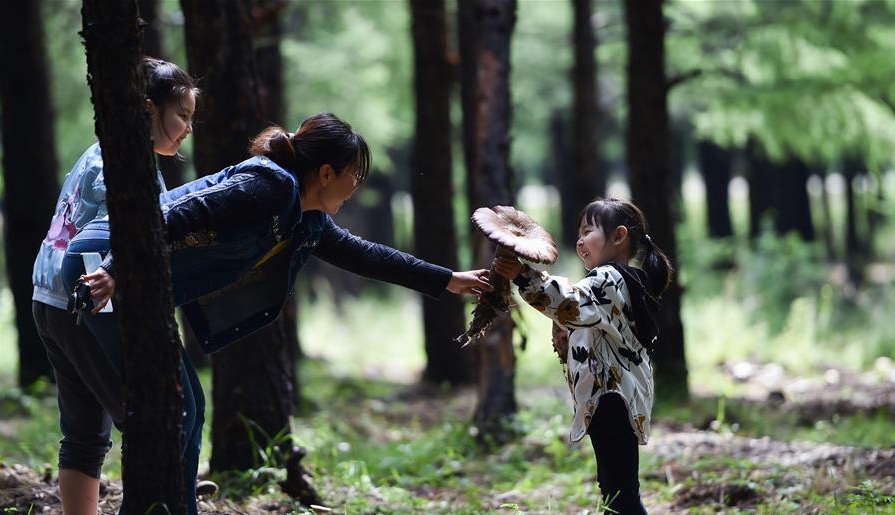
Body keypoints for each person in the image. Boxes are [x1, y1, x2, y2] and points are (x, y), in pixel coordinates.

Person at [61, 112, 494, 515]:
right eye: (353, 176)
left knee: (185, 408)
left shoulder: (304, 219)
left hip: (126, 277)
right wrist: (114, 269)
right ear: (326, 173)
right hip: (101, 266)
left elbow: (366, 255)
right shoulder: (268, 186)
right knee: (166, 412)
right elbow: (167, 213)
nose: (357, 186)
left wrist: (446, 279)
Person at [31, 56, 198, 515]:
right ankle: (160, 497)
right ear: (147, 110)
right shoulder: (125, 165)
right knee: (152, 414)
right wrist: (111, 274)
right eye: (181, 115)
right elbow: (108, 232)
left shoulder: (99, 151)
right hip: (85, 297)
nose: (187, 128)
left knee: (84, 432)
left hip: (47, 298)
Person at [492, 197, 673, 515]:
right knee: (616, 489)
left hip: (612, 399)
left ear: (619, 237)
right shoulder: (626, 280)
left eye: (588, 230)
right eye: (578, 232)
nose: (579, 240)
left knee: (621, 495)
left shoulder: (609, 279)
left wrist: (524, 276)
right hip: (619, 398)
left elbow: (569, 303)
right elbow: (583, 323)